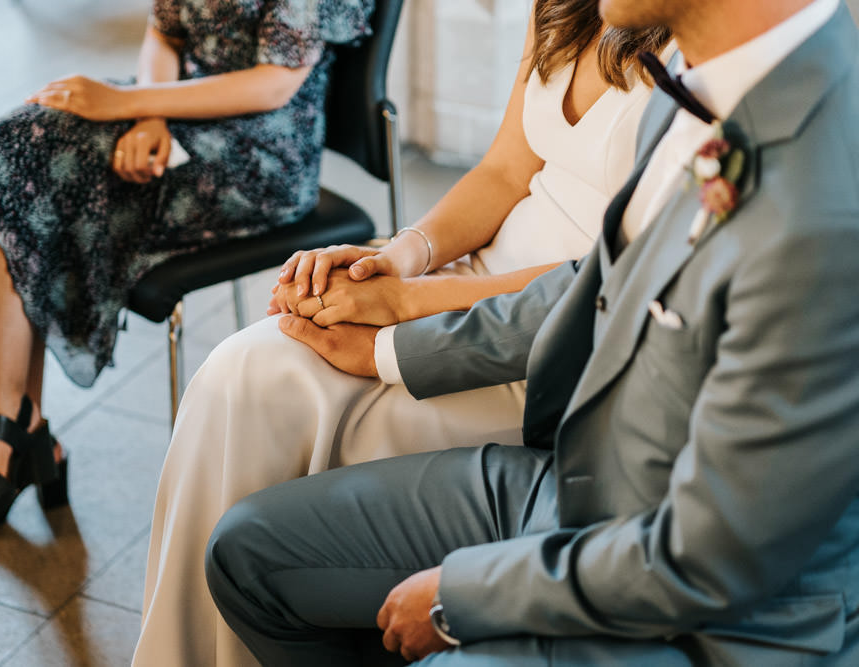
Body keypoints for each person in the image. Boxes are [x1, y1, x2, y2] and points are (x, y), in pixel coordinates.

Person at [205, 0, 859, 665]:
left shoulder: (827, 205)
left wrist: (465, 594)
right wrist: (390, 345)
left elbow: (705, 560)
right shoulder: (696, 82)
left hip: (707, 619)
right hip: (582, 490)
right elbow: (598, 281)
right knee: (244, 553)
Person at [135, 2, 672, 665]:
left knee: (280, 393)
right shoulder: (562, 7)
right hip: (472, 274)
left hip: (552, 346)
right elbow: (507, 171)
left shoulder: (697, 48)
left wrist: (410, 305)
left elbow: (601, 281)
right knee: (242, 368)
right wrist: (401, 256)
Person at [0, 0, 375, 530]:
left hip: (259, 157)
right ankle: (14, 425)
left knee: (14, 164)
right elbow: (165, 32)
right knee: (4, 155)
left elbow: (273, 84)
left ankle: (12, 440)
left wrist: (128, 100)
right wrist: (148, 116)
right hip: (177, 111)